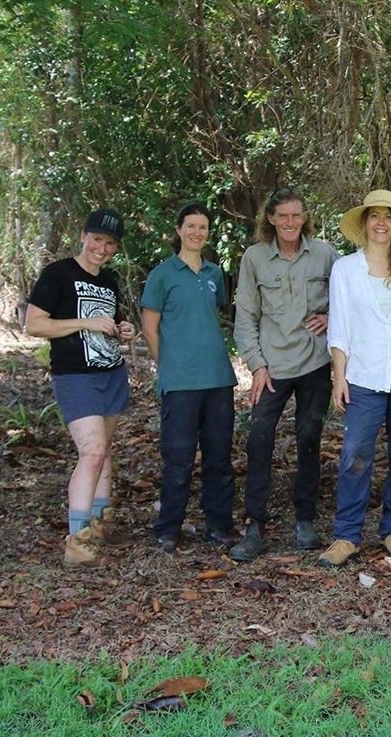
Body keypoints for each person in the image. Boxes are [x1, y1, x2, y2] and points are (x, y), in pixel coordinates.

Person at [318, 189, 391, 567]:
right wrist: (339, 377)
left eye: (388, 216)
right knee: (355, 455)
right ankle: (347, 535)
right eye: (374, 216)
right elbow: (339, 327)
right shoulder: (345, 269)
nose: (381, 223)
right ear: (365, 223)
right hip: (365, 376)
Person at [229, 186, 339, 561]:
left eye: (296, 215)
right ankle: (255, 524)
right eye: (283, 216)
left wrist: (331, 316)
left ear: (305, 218)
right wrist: (256, 365)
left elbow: (349, 298)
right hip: (271, 364)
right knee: (259, 438)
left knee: (309, 435)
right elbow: (246, 316)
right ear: (271, 218)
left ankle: (304, 519)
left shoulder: (324, 254)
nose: (290, 222)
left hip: (314, 361)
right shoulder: (255, 258)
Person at [26, 208, 135, 567]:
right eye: (97, 239)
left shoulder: (109, 281)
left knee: (104, 451)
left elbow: (111, 322)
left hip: (111, 373)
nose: (102, 249)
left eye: (110, 244)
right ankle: (77, 542)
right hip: (75, 376)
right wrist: (85, 322)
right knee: (92, 452)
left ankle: (100, 523)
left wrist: (123, 329)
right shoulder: (58, 273)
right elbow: (34, 325)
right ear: (84, 236)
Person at [140, 202, 239, 553]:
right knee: (179, 458)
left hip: (218, 378)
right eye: (191, 226)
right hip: (180, 381)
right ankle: (168, 528)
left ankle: (219, 526)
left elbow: (212, 315)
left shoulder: (214, 273)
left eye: (203, 227)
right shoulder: (162, 274)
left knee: (219, 457)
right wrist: (168, 364)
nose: (197, 232)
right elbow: (149, 328)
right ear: (179, 229)